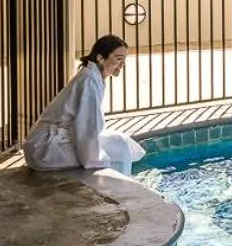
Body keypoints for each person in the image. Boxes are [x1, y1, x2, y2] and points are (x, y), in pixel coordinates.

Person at [22, 35, 146, 175]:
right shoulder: (89, 81)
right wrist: (95, 161)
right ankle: (120, 190)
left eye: (124, 60)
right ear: (100, 58)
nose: (122, 65)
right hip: (45, 149)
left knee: (121, 142)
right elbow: (86, 129)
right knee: (119, 148)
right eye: (118, 59)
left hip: (50, 143)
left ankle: (124, 182)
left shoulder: (92, 77)